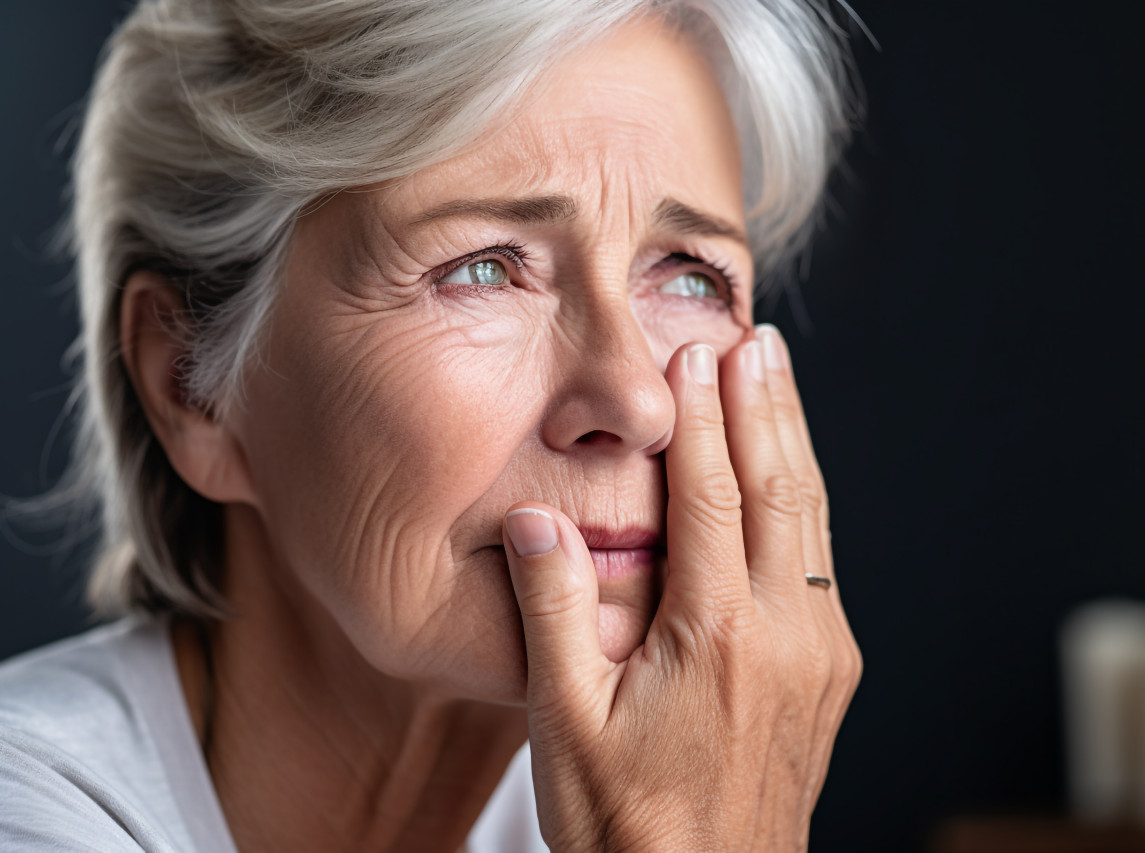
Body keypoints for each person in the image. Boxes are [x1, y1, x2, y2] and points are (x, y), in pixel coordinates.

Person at [0, 0, 863, 849]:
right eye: (482, 269)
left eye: (690, 278)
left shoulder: (683, 780)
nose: (640, 402)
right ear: (190, 384)